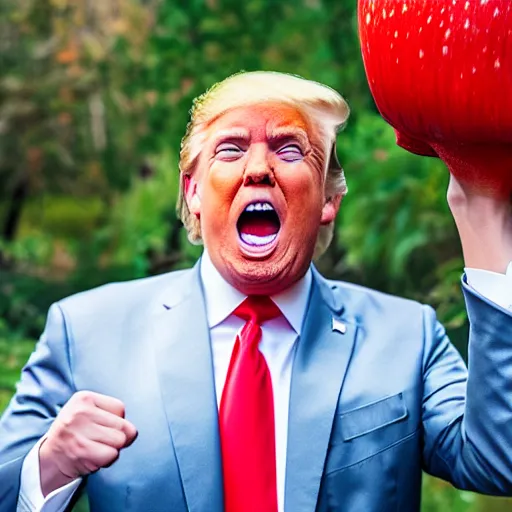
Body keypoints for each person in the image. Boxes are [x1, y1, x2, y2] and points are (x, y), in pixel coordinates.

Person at [1, 71, 512, 512]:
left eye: (290, 148)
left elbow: (499, 461)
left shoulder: (407, 336)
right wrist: (50, 463)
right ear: (194, 192)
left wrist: (484, 216)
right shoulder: (86, 331)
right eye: (231, 148)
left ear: (329, 198)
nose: (260, 167)